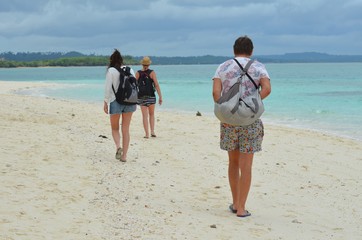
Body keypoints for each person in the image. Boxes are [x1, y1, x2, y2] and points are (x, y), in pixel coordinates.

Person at [212, 36, 271, 217]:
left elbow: (215, 93)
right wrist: (253, 102)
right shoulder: (259, 67)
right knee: (246, 165)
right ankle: (242, 208)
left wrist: (227, 106)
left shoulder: (222, 67)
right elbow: (267, 89)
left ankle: (235, 202)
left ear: (234, 50)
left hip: (229, 120)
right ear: (251, 51)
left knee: (233, 162)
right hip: (250, 121)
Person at [103, 49, 137, 162]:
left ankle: (118, 147)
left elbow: (108, 88)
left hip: (115, 101)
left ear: (111, 61)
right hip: (130, 101)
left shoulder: (111, 71)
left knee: (115, 128)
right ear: (122, 60)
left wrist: (105, 102)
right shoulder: (130, 69)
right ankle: (124, 156)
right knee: (126, 129)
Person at [135, 56, 163, 138]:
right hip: (150, 96)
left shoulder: (138, 73)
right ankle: (152, 132)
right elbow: (156, 85)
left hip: (141, 97)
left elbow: (134, 85)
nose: (146, 66)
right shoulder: (152, 72)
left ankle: (147, 134)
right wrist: (160, 96)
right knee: (151, 115)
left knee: (145, 116)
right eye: (146, 65)